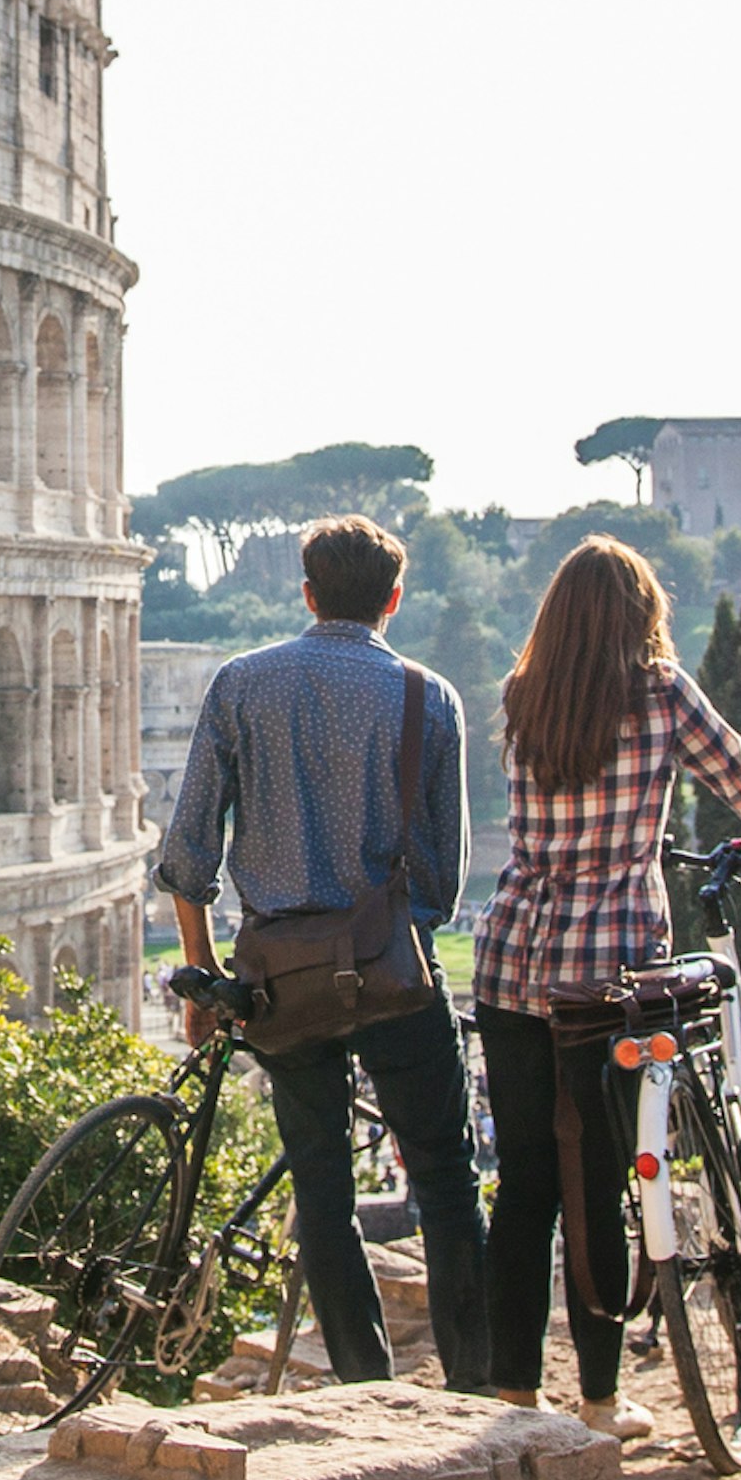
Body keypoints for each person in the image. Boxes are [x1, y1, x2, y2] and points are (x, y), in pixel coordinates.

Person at [468, 536, 741, 1437]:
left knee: (522, 1185)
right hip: (608, 977)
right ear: (641, 616)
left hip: (512, 960)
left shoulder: (522, 697)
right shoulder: (662, 692)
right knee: (597, 1184)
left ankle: (514, 1395)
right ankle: (598, 1406)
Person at [152, 514, 490, 1390]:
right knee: (449, 1186)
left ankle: (363, 1388)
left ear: (305, 593)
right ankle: (475, 1386)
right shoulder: (431, 697)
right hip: (393, 974)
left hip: (280, 980)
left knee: (323, 1195)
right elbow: (443, 882)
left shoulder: (240, 684)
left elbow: (189, 855)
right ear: (395, 600)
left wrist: (205, 979)